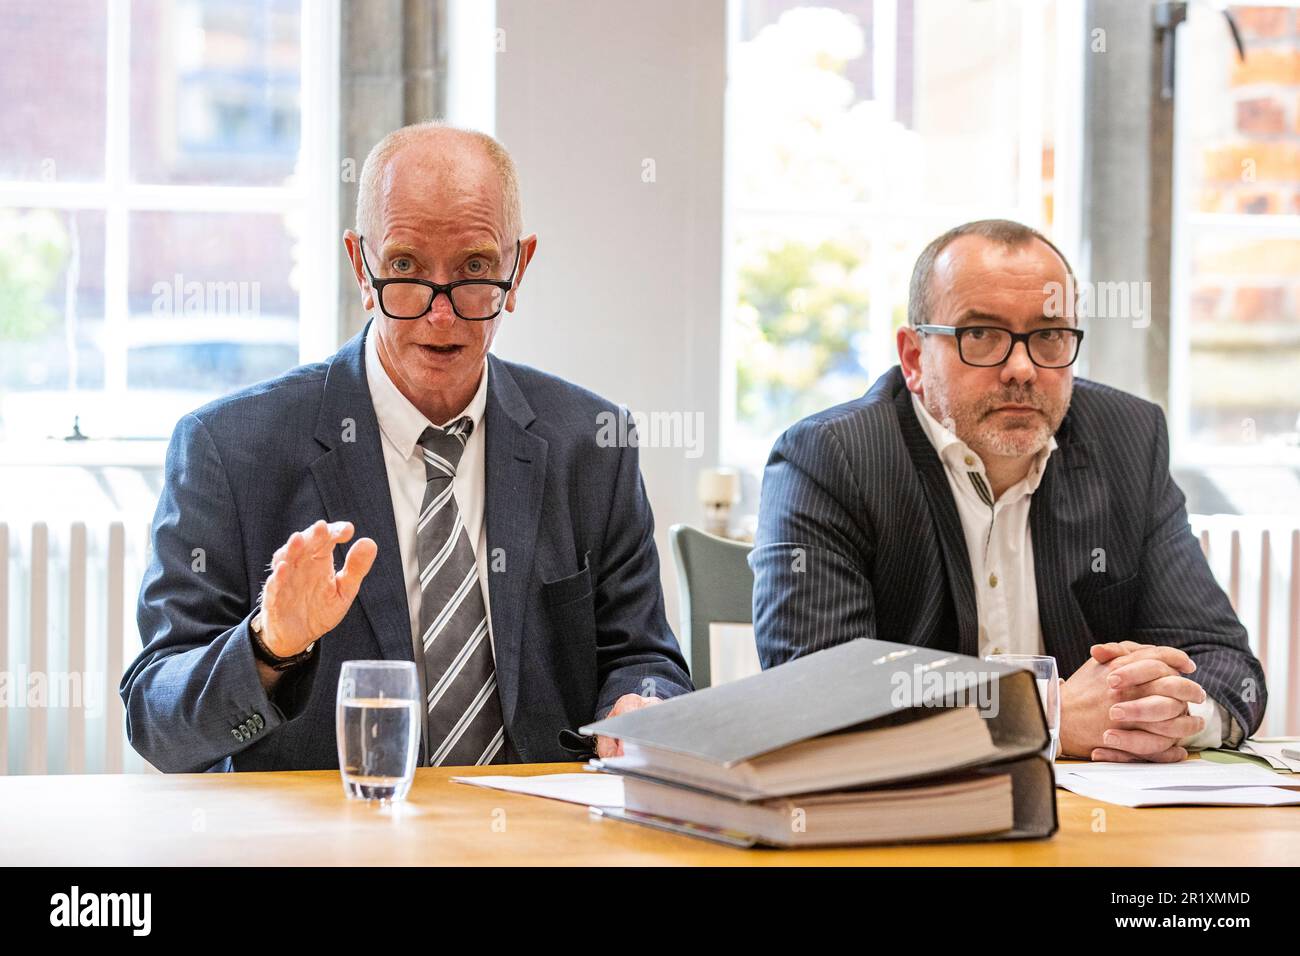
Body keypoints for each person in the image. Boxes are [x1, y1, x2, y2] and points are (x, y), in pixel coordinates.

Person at [122, 122, 691, 773]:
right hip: (329, 844)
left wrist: (640, 705)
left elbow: (645, 659)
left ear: (519, 265)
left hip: (536, 839)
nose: (438, 313)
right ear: (361, 267)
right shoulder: (229, 450)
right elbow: (158, 723)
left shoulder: (592, 443)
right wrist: (268, 647)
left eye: (475, 269)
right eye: (404, 268)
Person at [751, 218, 1266, 762]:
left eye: (1048, 336)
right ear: (913, 358)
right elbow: (815, 689)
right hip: (910, 825)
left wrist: (1168, 714)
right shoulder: (830, 458)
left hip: (1100, 819)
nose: (1021, 369)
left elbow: (1223, 660)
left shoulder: (1128, 440)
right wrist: (1047, 718)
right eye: (981, 335)